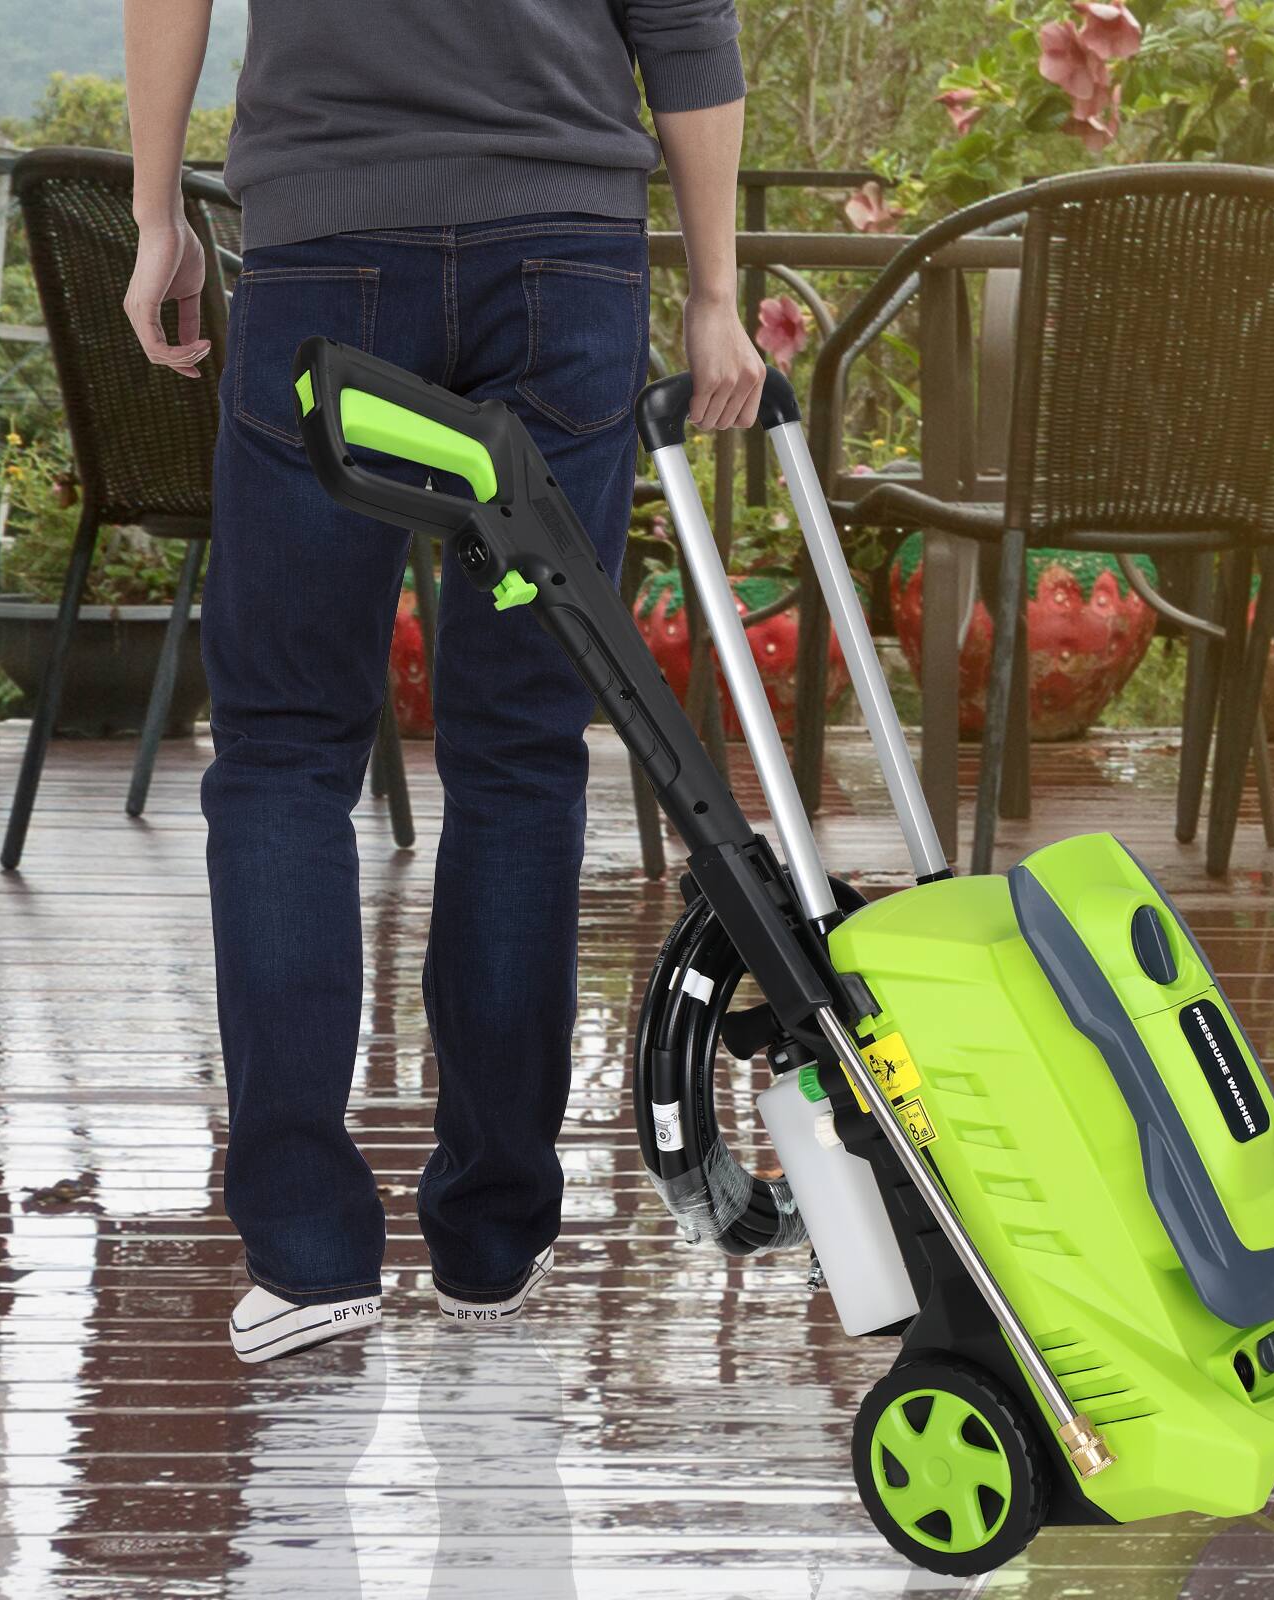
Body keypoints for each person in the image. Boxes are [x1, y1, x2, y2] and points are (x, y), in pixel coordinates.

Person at [122, 0, 764, 1362]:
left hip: (325, 246)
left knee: (287, 751)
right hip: (566, 260)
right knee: (523, 748)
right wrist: (715, 295)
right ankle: (491, 1240)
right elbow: (687, 28)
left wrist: (156, 207)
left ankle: (307, 1260)